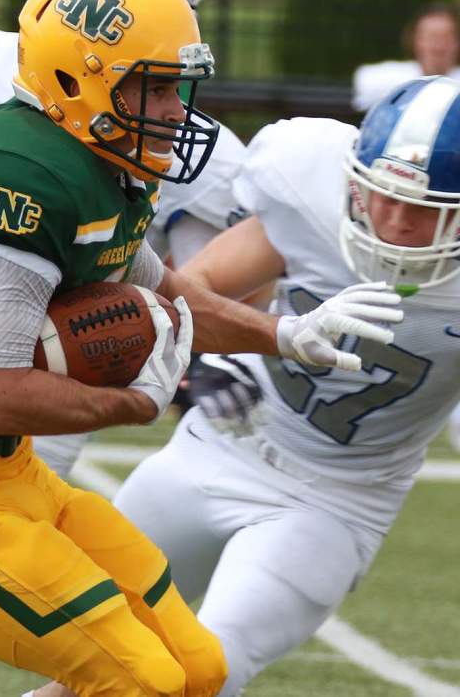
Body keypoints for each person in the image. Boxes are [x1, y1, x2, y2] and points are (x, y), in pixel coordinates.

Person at [0, 0, 402, 695]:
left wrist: (287, 334)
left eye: (179, 88)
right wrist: (133, 403)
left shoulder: (93, 159)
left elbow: (165, 289)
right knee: (143, 683)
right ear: (77, 82)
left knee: (200, 670)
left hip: (6, 474)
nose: (176, 111)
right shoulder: (19, 176)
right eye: (157, 88)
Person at [109, 75, 460, 696]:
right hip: (223, 439)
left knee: (204, 671)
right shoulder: (309, 182)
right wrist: (200, 358)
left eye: (428, 209)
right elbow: (197, 284)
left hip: (335, 499)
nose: (397, 222)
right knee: (85, 645)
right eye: (383, 196)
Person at [352, 2, 460, 111]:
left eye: (446, 37)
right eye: (431, 37)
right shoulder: (385, 78)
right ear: (416, 41)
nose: (439, 45)